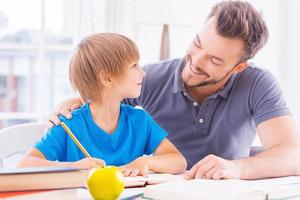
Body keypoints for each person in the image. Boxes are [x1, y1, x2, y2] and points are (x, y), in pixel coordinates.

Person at [48, 1, 300, 180]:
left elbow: (292, 155)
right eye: (198, 43)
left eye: (214, 60)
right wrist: (73, 101)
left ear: (238, 68)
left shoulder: (257, 84)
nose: (196, 61)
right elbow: (101, 100)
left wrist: (237, 169)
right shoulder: (150, 78)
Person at [18, 33, 187, 177]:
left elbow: (178, 161)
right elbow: (25, 165)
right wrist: (74, 167)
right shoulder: (69, 124)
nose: (142, 73)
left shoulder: (139, 120)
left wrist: (146, 161)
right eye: (134, 66)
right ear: (107, 78)